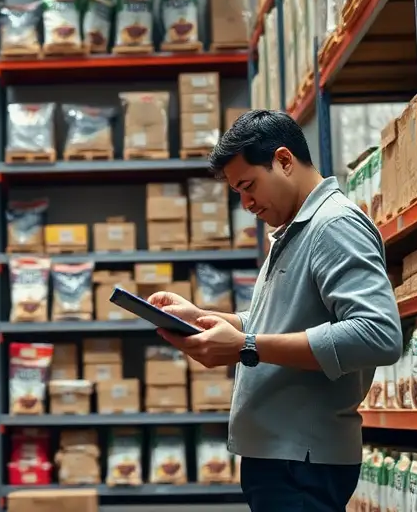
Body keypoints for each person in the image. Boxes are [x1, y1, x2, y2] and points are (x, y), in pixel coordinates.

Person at [148, 109, 402, 511]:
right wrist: (209, 319)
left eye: (249, 186)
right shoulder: (295, 229)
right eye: (238, 192)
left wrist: (246, 345)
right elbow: (280, 324)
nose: (246, 202)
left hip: (302, 462)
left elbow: (378, 335)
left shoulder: (333, 225)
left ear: (284, 160)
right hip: (283, 457)